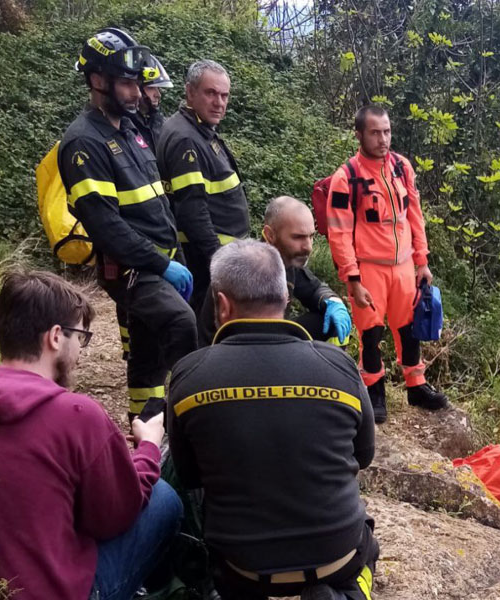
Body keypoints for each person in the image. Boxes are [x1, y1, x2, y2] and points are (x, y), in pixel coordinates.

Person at [168, 240, 378, 600]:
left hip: (241, 567)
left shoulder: (189, 376)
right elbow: (364, 456)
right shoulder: (338, 365)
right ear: (285, 297)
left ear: (221, 304)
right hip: (338, 555)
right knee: (368, 546)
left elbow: (190, 476)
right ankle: (350, 595)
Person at [0, 271, 182, 600]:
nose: (80, 351)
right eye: (81, 338)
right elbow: (115, 517)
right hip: (65, 592)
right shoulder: (77, 415)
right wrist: (148, 446)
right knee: (163, 498)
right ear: (55, 337)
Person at [59, 27, 197, 422]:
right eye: (126, 83)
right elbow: (106, 226)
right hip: (134, 266)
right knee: (181, 324)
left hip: (162, 256)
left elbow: (155, 202)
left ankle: (144, 427)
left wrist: (175, 254)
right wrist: (160, 264)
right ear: (97, 81)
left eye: (138, 82)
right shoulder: (83, 143)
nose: (137, 93)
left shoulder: (132, 127)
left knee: (147, 349)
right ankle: (191, 421)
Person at [325, 105, 447, 423]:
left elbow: (415, 217)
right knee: (370, 333)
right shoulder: (346, 178)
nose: (383, 139)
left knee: (409, 329)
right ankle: (374, 391)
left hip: (404, 265)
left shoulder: (402, 168)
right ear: (359, 134)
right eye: (375, 132)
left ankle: (416, 385)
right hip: (368, 268)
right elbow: (338, 233)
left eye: (387, 131)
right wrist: (351, 277)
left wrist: (422, 261)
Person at [157, 59, 250, 319]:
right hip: (205, 262)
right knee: (206, 333)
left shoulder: (199, 130)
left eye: (224, 95)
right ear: (190, 92)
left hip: (216, 258)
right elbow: (192, 210)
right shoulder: (186, 138)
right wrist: (220, 262)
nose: (219, 102)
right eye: (211, 93)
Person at [263, 195, 351, 343]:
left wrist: (333, 301)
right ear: (270, 235)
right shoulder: (247, 269)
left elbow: (314, 288)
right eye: (298, 237)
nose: (308, 247)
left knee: (330, 322)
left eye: (311, 236)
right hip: (247, 349)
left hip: (280, 337)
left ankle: (331, 364)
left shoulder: (286, 259)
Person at [132, 54, 173, 150]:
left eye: (158, 88)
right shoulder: (126, 126)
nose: (158, 94)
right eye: (151, 88)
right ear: (137, 88)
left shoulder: (160, 123)